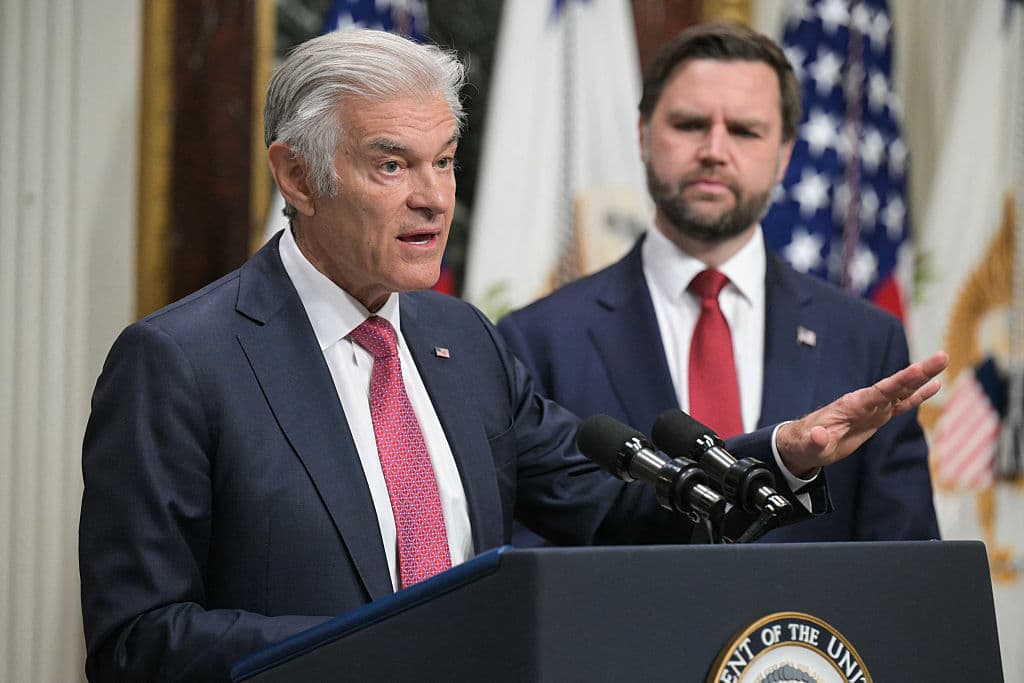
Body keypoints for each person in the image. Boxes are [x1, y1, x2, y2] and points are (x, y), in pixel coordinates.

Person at [78, 28, 946, 682]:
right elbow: (136, 639)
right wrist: (377, 649)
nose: (431, 199)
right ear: (297, 176)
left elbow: (615, 505)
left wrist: (780, 453)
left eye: (446, 162)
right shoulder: (178, 364)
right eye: (391, 165)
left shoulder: (463, 343)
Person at [498, 22, 940, 545]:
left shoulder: (866, 341)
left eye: (745, 131)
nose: (714, 149)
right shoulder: (537, 338)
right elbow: (528, 564)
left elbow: (905, 566)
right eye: (689, 124)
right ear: (642, 134)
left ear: (784, 157)